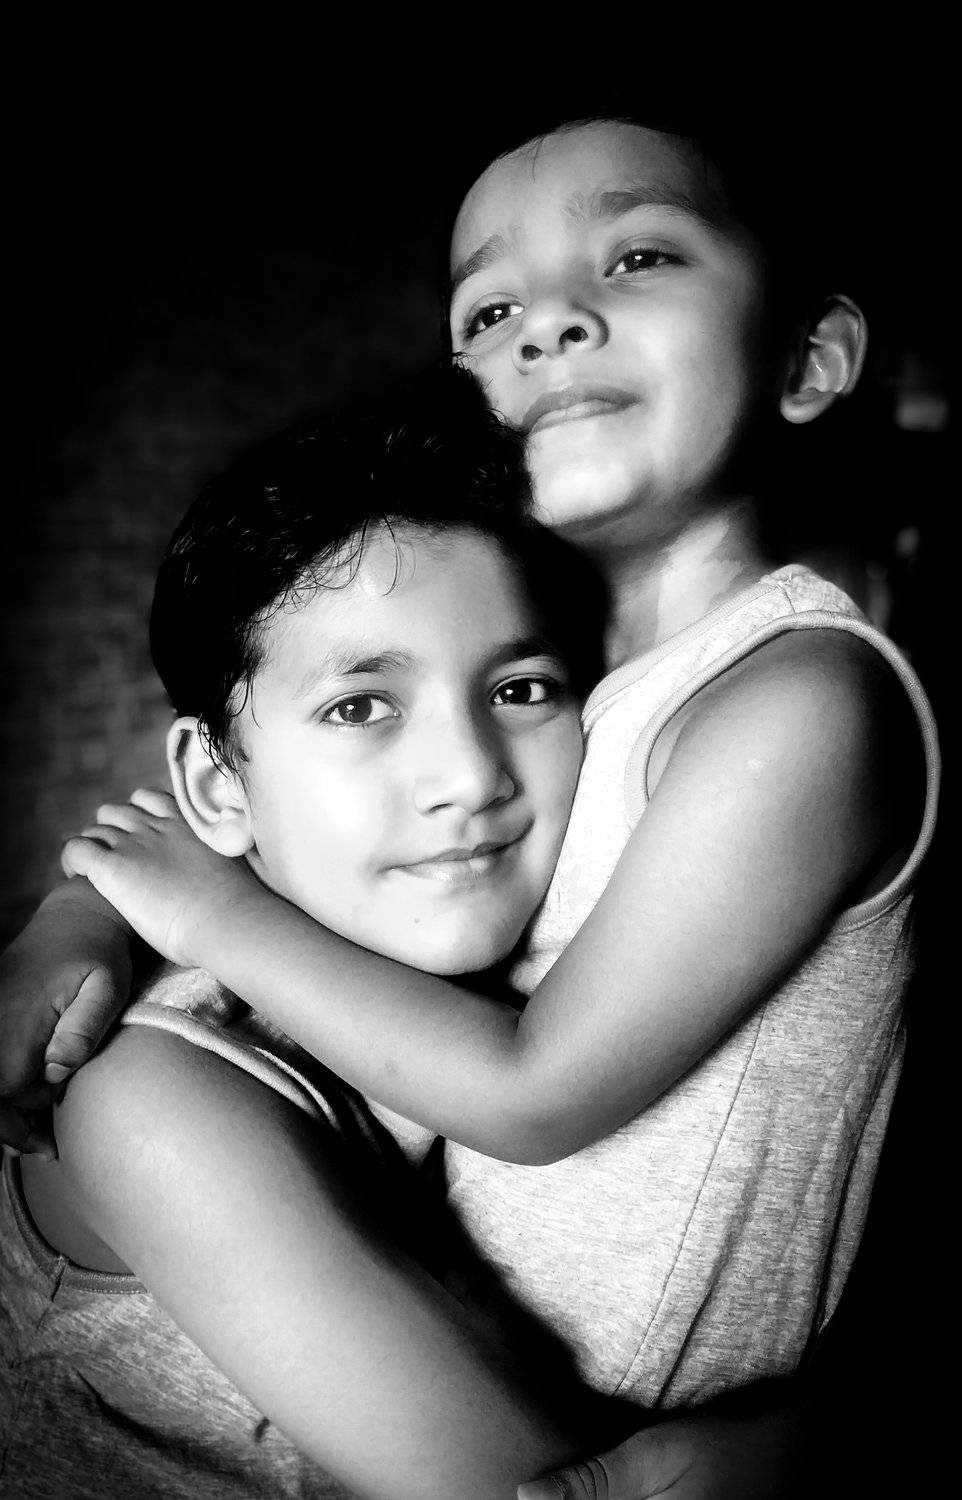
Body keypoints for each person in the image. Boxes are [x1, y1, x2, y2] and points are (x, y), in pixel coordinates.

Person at [0, 105, 941, 1496]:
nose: (550, 322)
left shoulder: (774, 695)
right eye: (491, 309)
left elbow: (530, 1086)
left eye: (638, 257)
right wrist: (93, 910)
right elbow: (265, 816)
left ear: (809, 356)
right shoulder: (594, 694)